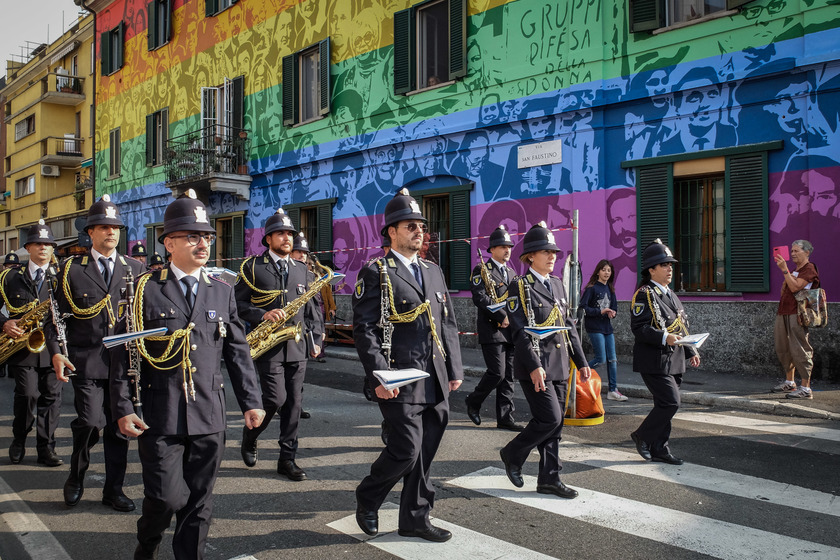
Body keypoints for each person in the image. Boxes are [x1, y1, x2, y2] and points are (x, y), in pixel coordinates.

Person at [111, 190, 265, 560]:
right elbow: (123, 354)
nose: (202, 243)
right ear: (168, 242)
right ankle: (147, 544)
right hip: (159, 415)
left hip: (209, 414)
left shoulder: (221, 292)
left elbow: (238, 352)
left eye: (207, 237)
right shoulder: (143, 290)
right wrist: (122, 406)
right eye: (192, 236)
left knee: (199, 503)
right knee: (166, 498)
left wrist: (252, 401)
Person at [352, 188, 463, 542]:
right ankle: (369, 496)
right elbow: (365, 329)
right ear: (391, 232)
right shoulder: (376, 272)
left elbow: (447, 322)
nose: (419, 231)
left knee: (425, 451)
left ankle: (415, 517)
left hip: (435, 374)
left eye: (421, 225)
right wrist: (378, 375)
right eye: (410, 225)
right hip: (397, 376)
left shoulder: (432, 271)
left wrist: (455, 370)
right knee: (406, 448)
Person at [48, 195, 145, 510]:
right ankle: (76, 475)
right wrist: (56, 352)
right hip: (87, 362)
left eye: (115, 227)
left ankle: (113, 490)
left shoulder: (136, 268)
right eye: (103, 227)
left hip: (125, 365)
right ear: (90, 232)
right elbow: (54, 319)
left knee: (120, 429)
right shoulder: (72, 269)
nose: (111, 233)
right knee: (90, 423)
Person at [498, 222, 591, 499]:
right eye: (545, 251)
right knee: (549, 417)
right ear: (530, 256)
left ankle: (549, 478)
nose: (552, 256)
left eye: (553, 251)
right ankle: (513, 452)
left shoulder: (558, 285)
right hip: (536, 366)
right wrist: (536, 365)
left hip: (560, 363)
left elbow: (569, 326)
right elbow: (520, 332)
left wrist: (581, 360)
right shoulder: (520, 287)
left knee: (556, 424)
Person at [235, 209, 322, 480]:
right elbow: (235, 305)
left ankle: (287, 458)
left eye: (290, 234)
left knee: (294, 403)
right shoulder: (252, 267)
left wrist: (316, 339)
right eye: (281, 233)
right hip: (268, 346)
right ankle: (250, 436)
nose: (287, 238)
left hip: (296, 346)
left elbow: (312, 310)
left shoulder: (302, 270)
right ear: (269, 238)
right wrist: (262, 314)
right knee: (274, 399)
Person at [629, 239, 700, 466]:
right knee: (671, 402)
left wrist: (690, 350)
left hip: (675, 359)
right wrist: (664, 337)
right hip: (655, 360)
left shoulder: (670, 293)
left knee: (665, 405)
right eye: (664, 265)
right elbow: (639, 328)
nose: (670, 268)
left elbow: (681, 326)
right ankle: (642, 435)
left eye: (671, 264)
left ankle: (660, 448)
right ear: (651, 269)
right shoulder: (644, 294)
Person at [0, 221, 64, 467]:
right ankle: (19, 439)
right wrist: (5, 323)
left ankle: (46, 448)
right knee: (26, 396)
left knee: (52, 398)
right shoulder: (10, 277)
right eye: (38, 243)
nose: (43, 248)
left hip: (53, 348)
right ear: (28, 247)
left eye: (48, 244)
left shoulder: (61, 277)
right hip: (23, 349)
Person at [464, 225, 522, 431]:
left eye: (509, 246)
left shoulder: (513, 272)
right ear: (492, 250)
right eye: (502, 246)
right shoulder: (482, 270)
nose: (507, 250)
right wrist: (500, 315)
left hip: (511, 331)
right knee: (497, 372)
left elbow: (516, 300)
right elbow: (480, 297)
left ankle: (505, 417)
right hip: (493, 329)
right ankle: (473, 400)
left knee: (508, 376)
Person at [771, 240, 819, 400]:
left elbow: (795, 288)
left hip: (797, 314)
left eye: (796, 251)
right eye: (791, 251)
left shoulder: (809, 268)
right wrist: (787, 272)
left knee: (800, 348)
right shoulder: (795, 270)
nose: (792, 254)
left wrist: (784, 270)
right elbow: (784, 290)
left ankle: (805, 388)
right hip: (784, 311)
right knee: (783, 347)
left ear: (807, 252)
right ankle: (790, 381)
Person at [581, 259, 626, 401]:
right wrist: (600, 311)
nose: (606, 273)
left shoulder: (611, 289)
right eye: (604, 270)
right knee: (600, 359)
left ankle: (613, 390)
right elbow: (583, 308)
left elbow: (615, 308)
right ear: (598, 271)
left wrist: (612, 313)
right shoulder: (592, 288)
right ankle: (579, 374)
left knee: (612, 359)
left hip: (607, 327)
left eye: (609, 270)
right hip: (594, 327)